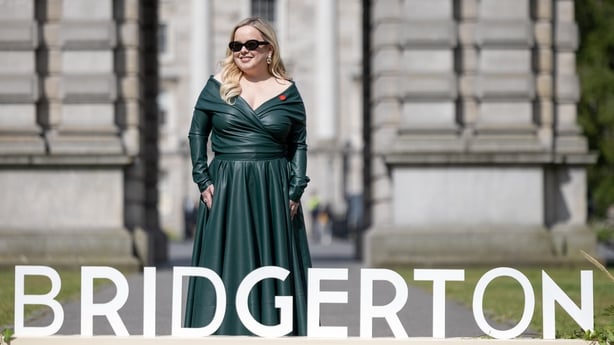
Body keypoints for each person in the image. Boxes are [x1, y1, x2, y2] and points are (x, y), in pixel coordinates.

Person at [184, 17, 312, 336]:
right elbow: (196, 134)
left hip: (275, 186)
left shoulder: (289, 92)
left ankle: (278, 332)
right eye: (236, 45)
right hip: (226, 185)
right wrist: (202, 178)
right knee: (226, 263)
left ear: (269, 49)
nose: (243, 50)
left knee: (275, 264)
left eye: (251, 44)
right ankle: (222, 333)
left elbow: (298, 143)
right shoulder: (216, 87)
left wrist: (296, 188)